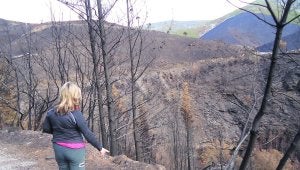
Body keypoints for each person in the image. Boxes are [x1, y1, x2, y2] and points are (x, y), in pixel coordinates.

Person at [43, 82, 109, 170]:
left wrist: (60, 131)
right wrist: (100, 148)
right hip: (75, 150)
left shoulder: (51, 112)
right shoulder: (75, 114)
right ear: (75, 96)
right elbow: (87, 133)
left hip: (59, 148)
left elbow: (46, 129)